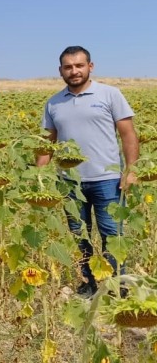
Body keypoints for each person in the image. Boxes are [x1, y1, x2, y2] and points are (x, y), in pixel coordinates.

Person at [36, 46, 138, 298]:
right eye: (68, 67)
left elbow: (128, 135)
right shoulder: (54, 102)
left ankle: (115, 287)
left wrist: (131, 170)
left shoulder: (109, 94)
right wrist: (38, 178)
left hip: (107, 179)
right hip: (69, 181)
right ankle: (88, 283)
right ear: (60, 70)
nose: (74, 71)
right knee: (78, 235)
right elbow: (47, 143)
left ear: (90, 67)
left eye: (79, 65)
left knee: (112, 235)